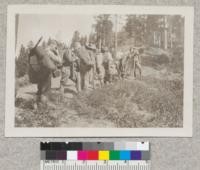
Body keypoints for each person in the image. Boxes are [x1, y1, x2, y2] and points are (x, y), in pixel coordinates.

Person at [35, 40, 62, 108]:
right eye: (55, 47)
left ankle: (36, 104)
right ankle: (43, 106)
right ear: (52, 45)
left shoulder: (43, 51)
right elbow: (59, 60)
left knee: (40, 89)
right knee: (46, 90)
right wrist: (57, 52)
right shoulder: (49, 52)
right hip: (47, 73)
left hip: (40, 73)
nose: (55, 48)